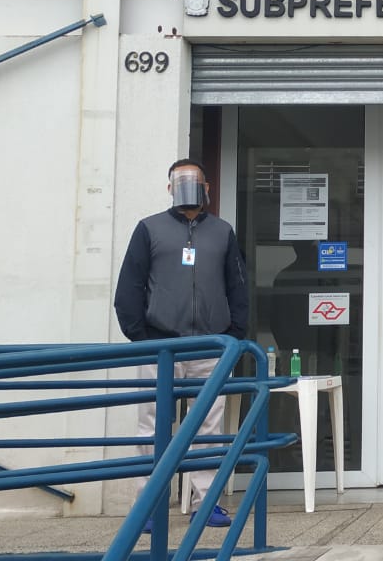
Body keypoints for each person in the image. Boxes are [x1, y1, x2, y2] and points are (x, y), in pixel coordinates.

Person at [114, 159, 248, 531]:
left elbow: (237, 284)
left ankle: (206, 503)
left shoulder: (222, 232)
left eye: (197, 181)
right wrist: (141, 337)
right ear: (170, 187)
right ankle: (149, 505)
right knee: (152, 426)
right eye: (182, 181)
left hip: (210, 346)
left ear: (207, 188)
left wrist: (234, 335)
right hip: (161, 345)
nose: (190, 188)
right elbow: (130, 285)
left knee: (208, 427)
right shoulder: (149, 229)